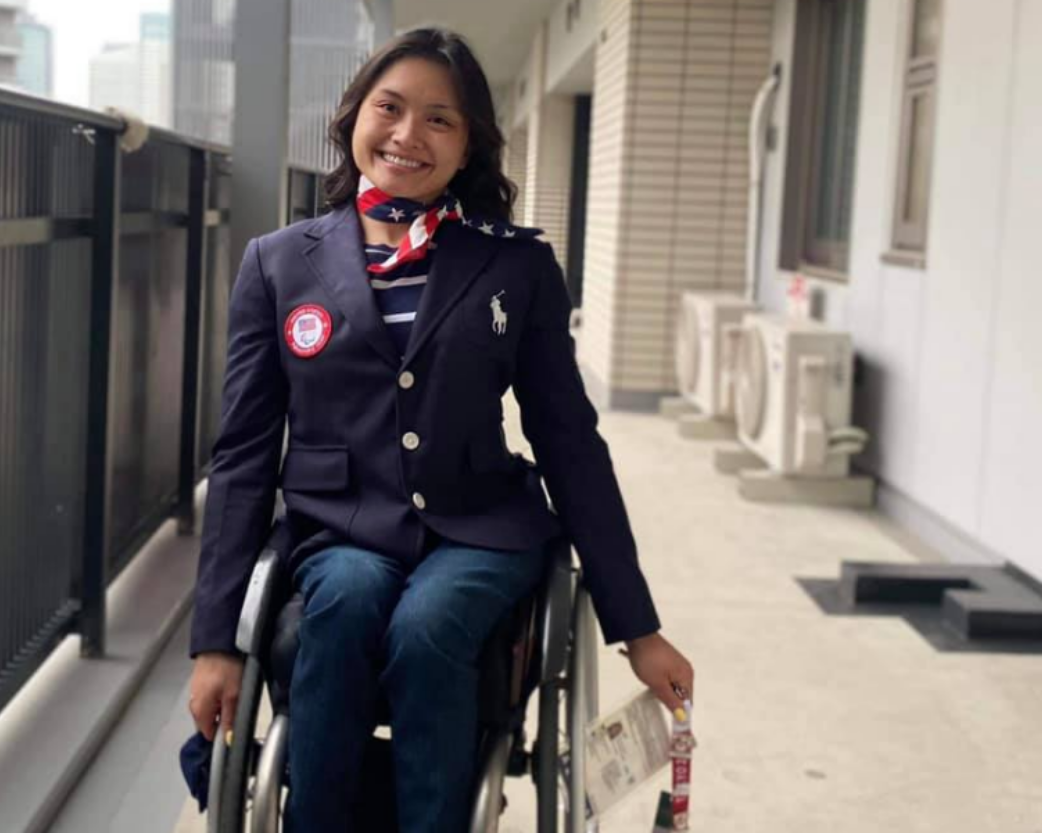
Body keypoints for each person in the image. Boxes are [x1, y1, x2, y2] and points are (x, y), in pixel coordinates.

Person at [187, 27, 694, 833]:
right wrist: (215, 640)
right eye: (389, 108)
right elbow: (245, 454)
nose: (406, 135)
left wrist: (637, 626)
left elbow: (569, 438)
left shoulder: (515, 265)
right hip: (339, 524)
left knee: (429, 629)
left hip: (480, 526)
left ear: (469, 148)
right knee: (345, 602)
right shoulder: (277, 263)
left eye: (439, 120)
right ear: (354, 118)